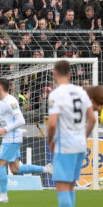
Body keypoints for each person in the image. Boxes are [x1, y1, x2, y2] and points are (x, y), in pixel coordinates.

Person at [0, 78, 51, 203]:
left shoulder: (10, 101)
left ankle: (3, 196)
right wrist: (2, 131)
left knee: (0, 164)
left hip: (12, 138)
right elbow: (8, 121)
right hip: (9, 137)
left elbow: (21, 120)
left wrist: (4, 130)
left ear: (0, 87)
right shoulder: (1, 102)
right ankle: (46, 169)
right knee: (15, 169)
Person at [47, 60, 96, 207]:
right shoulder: (81, 91)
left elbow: (52, 124)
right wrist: (83, 136)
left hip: (64, 145)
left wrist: (50, 140)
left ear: (54, 73)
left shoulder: (56, 94)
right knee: (70, 186)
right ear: (70, 73)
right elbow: (92, 119)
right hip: (80, 145)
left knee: (63, 188)